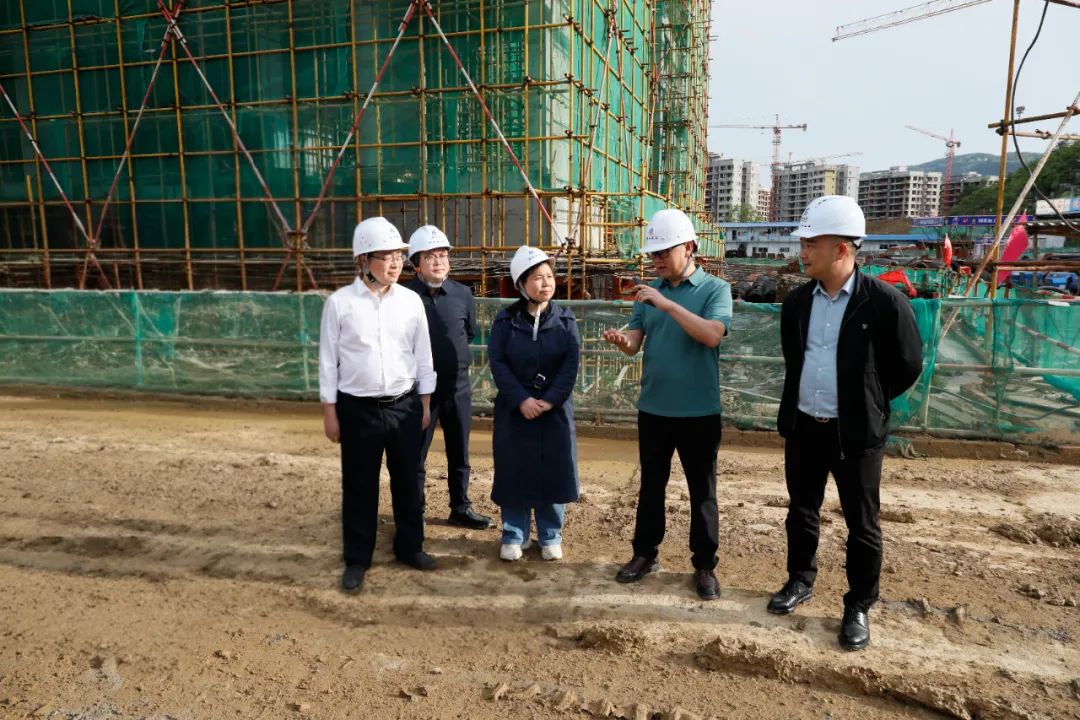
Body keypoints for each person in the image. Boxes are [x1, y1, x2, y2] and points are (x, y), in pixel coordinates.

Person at [768, 195, 923, 651]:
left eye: (810, 243)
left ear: (841, 249)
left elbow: (907, 364)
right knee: (801, 510)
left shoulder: (885, 303)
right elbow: (794, 358)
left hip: (856, 433)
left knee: (862, 523)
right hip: (804, 426)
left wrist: (868, 401)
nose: (802, 251)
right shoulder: (798, 302)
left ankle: (858, 605)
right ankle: (800, 580)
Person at [602, 208, 732, 601]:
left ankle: (705, 564)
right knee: (651, 486)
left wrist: (667, 304)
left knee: (702, 492)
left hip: (699, 411)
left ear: (689, 247)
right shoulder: (648, 294)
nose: (656, 259)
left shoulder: (715, 290)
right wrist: (622, 341)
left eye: (664, 251)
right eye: (653, 253)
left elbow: (712, 335)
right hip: (654, 409)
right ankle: (645, 554)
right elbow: (635, 343)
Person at [318, 216, 438, 593]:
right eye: (386, 256)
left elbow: (423, 356)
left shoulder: (410, 302)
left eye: (399, 256)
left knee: (408, 482)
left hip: (404, 405)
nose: (395, 263)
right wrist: (330, 411)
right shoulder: (340, 304)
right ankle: (357, 559)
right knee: (359, 486)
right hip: (358, 409)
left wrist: (424, 403)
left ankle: (410, 547)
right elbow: (328, 361)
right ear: (363, 260)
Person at [487, 246, 580, 561]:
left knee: (554, 470)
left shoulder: (566, 319)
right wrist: (522, 399)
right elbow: (498, 363)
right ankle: (515, 533)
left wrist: (550, 400)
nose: (546, 283)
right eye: (538, 278)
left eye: (549, 276)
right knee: (514, 470)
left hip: (554, 411)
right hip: (515, 410)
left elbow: (570, 365)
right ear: (521, 284)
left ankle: (551, 534)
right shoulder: (505, 321)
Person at [404, 225, 493, 530]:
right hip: (418, 393)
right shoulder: (404, 296)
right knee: (415, 454)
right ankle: (414, 510)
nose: (439, 261)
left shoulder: (462, 293)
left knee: (459, 452)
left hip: (458, 389)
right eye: (430, 257)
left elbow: (468, 332)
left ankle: (460, 507)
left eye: (443, 255)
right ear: (416, 264)